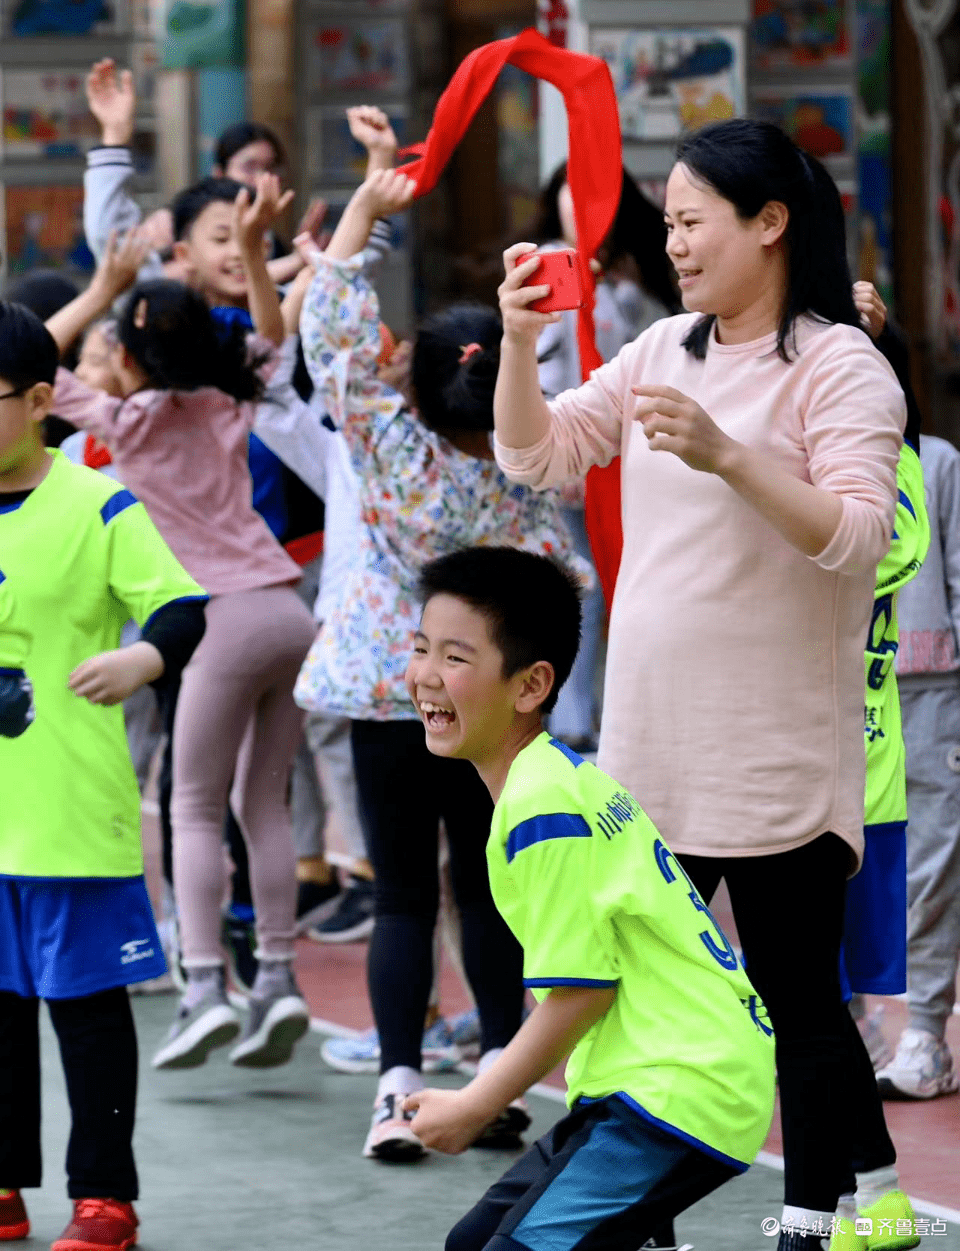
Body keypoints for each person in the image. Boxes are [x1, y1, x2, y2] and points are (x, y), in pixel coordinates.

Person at [493, 118, 905, 1251]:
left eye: (691, 221)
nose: (672, 245)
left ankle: (814, 1221)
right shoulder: (659, 349)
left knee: (795, 1002)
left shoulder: (839, 363)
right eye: (667, 224)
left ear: (770, 224)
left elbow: (861, 536)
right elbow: (536, 458)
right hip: (651, 750)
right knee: (627, 1006)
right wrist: (523, 347)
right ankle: (636, 1221)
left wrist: (728, 452)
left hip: (775, 748)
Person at [297, 147, 592, 1161]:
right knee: (486, 884)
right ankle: (500, 1078)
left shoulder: (387, 441)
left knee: (404, 896)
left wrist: (364, 215)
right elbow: (571, 571)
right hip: (491, 698)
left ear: (415, 385)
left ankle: (395, 1088)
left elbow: (330, 333)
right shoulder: (523, 460)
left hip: (388, 681)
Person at [402, 545, 776, 1250]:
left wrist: (475, 1104)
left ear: (531, 684)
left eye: (454, 656)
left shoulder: (543, 808)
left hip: (677, 1088)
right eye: (421, 646)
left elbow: (579, 993)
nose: (424, 674)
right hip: (662, 1077)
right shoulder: (557, 778)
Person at [43, 182, 317, 1073]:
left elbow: (32, 368)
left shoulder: (123, 424)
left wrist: (101, 283)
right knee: (261, 802)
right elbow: (272, 333)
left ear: (125, 354)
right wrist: (260, 245)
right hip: (287, 607)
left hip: (218, 623)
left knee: (192, 806)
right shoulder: (234, 400)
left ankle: (204, 985)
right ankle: (277, 976)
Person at [0, 300, 206, 1251]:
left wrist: (143, 662)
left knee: (85, 1019)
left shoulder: (99, 502)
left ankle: (103, 1197)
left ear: (42, 400)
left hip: (71, 817)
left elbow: (179, 607)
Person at [877, 429, 960, 1101]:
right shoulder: (804, 454)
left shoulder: (936, 462)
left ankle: (926, 1034)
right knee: (839, 863)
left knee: (932, 861)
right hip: (837, 689)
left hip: (932, 689)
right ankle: (853, 1024)